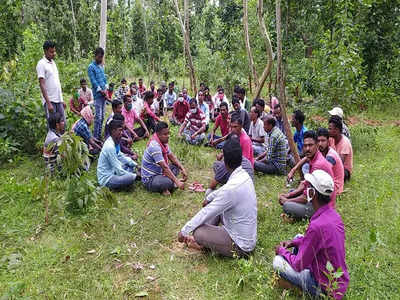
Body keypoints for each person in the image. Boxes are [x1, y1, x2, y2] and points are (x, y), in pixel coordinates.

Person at [273, 170, 349, 300]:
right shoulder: (334, 216)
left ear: (312, 193)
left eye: (308, 187)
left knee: (277, 262)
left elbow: (298, 265)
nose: (306, 189)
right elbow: (317, 241)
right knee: (298, 237)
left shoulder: (317, 226)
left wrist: (282, 251)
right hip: (338, 281)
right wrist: (293, 243)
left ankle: (302, 288)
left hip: (324, 287)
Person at [178, 138, 257, 258]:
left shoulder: (231, 189)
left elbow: (207, 211)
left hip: (241, 246)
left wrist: (184, 231)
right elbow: (222, 191)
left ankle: (203, 244)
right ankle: (211, 239)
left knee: (198, 232)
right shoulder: (244, 176)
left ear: (225, 161)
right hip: (245, 236)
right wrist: (209, 197)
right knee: (213, 209)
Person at [279, 130, 335, 220]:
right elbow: (305, 159)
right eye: (305, 146)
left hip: (320, 207)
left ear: (317, 145)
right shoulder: (315, 156)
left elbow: (306, 197)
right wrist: (293, 170)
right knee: (291, 192)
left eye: (310, 145)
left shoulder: (318, 165)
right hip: (314, 198)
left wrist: (287, 200)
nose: (307, 149)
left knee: (286, 206)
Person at [288, 128, 344, 195]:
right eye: (319, 141)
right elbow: (306, 158)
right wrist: (293, 170)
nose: (320, 144)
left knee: (295, 193)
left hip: (333, 188)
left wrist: (301, 188)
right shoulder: (321, 151)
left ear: (328, 141)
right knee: (305, 167)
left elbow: (322, 176)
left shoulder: (331, 156)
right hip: (325, 183)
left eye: (323, 141)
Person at [141, 122, 188, 195]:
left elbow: (172, 157)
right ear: (158, 135)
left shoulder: (164, 142)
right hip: (150, 178)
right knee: (168, 182)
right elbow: (164, 167)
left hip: (160, 172)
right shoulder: (154, 146)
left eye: (168, 133)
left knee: (176, 167)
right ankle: (167, 186)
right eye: (165, 134)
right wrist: (177, 182)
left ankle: (166, 187)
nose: (168, 136)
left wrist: (183, 169)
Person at [97, 119, 139, 190]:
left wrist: (136, 165)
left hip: (113, 171)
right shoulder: (109, 147)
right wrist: (136, 176)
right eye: (120, 130)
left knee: (129, 165)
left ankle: (127, 179)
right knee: (131, 178)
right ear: (113, 131)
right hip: (107, 179)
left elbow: (121, 157)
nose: (122, 133)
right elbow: (118, 169)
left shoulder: (115, 141)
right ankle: (127, 181)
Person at [37, 40, 66, 128]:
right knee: (53, 127)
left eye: (54, 51)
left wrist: (61, 100)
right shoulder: (41, 64)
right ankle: (53, 142)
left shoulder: (53, 63)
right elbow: (42, 84)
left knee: (62, 125)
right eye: (51, 52)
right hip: (50, 101)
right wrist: (48, 103)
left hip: (58, 100)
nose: (54, 53)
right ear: (45, 51)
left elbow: (56, 82)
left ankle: (62, 142)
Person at [88, 47, 109, 140]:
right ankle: (95, 137)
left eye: (102, 57)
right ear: (95, 56)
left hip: (104, 96)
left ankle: (99, 135)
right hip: (97, 96)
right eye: (99, 57)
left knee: (103, 116)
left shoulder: (101, 67)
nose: (101, 59)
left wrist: (106, 90)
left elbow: (104, 80)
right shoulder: (91, 67)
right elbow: (93, 82)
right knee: (98, 117)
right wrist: (101, 91)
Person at [328, 116, 353, 182]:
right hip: (333, 165)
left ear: (337, 130)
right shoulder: (331, 139)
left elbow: (340, 163)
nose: (328, 131)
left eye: (330, 129)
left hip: (344, 170)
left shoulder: (345, 142)